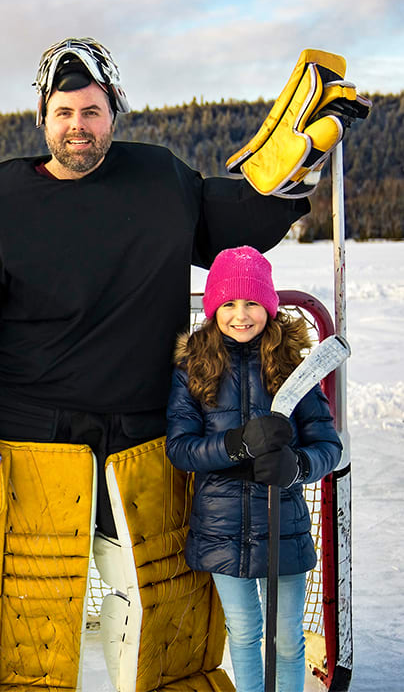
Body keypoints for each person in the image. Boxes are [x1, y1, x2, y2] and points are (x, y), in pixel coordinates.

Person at [0, 37, 313, 688]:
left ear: (115, 112)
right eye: (64, 112)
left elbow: (233, 222)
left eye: (91, 111)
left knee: (164, 622)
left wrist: (298, 171)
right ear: (41, 116)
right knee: (32, 633)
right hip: (35, 445)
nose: (77, 126)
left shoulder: (161, 178)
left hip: (147, 441)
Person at [166, 246, 342, 692]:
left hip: (283, 525)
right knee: (244, 636)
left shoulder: (292, 369)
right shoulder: (193, 369)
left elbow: (328, 446)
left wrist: (297, 465)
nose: (240, 315)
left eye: (251, 304)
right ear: (212, 309)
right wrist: (238, 443)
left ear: (268, 306)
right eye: (228, 303)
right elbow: (181, 449)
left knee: (286, 642)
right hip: (222, 527)